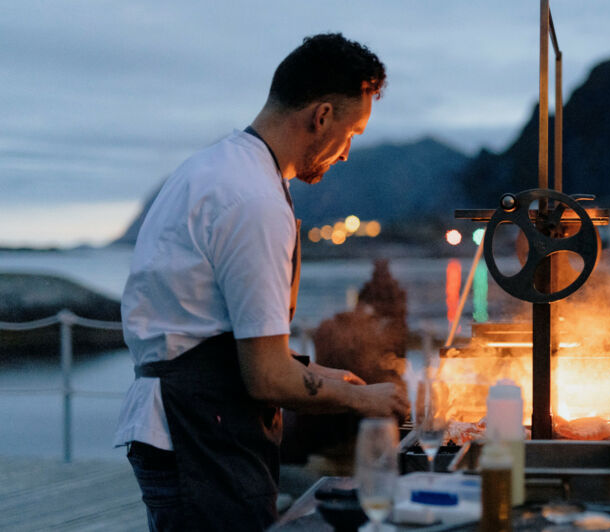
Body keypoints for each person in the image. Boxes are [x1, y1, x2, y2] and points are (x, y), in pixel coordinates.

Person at [114, 33, 409, 531]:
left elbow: (207, 328)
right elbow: (266, 377)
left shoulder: (218, 168)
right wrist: (365, 398)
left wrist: (326, 373)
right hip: (198, 437)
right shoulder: (254, 200)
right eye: (353, 133)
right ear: (321, 117)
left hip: (188, 424)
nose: (346, 153)